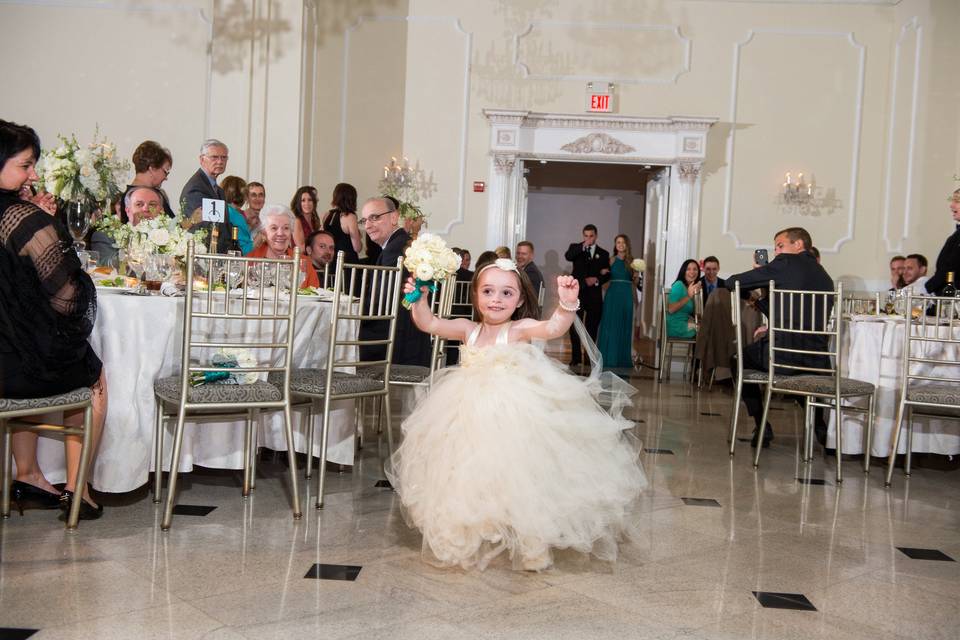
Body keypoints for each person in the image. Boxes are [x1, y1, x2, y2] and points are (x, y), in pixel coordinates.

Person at [387, 259, 646, 571]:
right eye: (488, 291)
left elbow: (551, 328)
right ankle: (473, 523)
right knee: (466, 469)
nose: (496, 299)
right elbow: (428, 323)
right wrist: (420, 299)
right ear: (476, 296)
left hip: (511, 411)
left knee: (516, 472)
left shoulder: (517, 329)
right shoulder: (467, 329)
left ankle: (526, 533)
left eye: (507, 293)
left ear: (520, 300)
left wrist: (566, 304)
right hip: (466, 408)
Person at [0, 119, 107, 519]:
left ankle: (28, 474)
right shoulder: (23, 218)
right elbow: (68, 296)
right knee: (92, 372)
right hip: (16, 367)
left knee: (27, 346)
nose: (33, 174)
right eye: (25, 165)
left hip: (5, 358)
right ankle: (80, 492)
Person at [725, 226, 833, 448]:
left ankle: (761, 424)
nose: (777, 252)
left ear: (799, 244)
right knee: (799, 379)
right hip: (817, 361)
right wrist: (759, 300)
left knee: (738, 359)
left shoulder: (784, 263)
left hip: (783, 357)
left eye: (780, 246)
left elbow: (732, 282)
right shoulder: (825, 276)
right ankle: (820, 427)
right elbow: (788, 313)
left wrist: (761, 273)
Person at [357, 197, 430, 365]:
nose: (367, 225)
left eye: (375, 217)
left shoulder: (395, 250)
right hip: (408, 333)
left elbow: (382, 302)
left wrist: (353, 309)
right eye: (364, 220)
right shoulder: (400, 244)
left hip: (395, 340)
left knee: (330, 335)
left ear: (394, 218)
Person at [564, 224, 610, 366]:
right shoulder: (576, 248)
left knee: (592, 328)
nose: (588, 238)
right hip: (578, 293)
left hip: (594, 296)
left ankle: (589, 358)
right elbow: (568, 256)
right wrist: (583, 245)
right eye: (586, 236)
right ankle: (576, 358)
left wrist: (597, 279)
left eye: (591, 236)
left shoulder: (604, 253)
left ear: (596, 236)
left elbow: (607, 274)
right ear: (583, 236)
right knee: (575, 326)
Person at [243, 204, 319, 288]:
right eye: (274, 228)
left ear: (291, 231)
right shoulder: (249, 260)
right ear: (264, 233)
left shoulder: (304, 263)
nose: (280, 234)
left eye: (286, 228)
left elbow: (313, 294)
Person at [179, 139, 235, 253]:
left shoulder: (218, 190)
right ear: (202, 159)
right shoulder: (196, 188)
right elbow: (203, 229)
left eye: (224, 157)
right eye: (214, 157)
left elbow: (223, 225)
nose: (220, 161)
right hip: (205, 255)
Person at [598, 234, 637, 368]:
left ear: (627, 245)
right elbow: (604, 278)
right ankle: (609, 357)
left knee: (625, 323)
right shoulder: (611, 260)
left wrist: (637, 275)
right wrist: (603, 273)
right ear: (615, 245)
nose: (620, 245)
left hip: (626, 294)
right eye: (618, 242)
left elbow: (635, 283)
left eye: (623, 242)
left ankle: (622, 358)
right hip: (613, 294)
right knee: (611, 324)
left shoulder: (632, 262)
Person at [120, 140, 175, 221]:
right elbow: (172, 228)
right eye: (166, 172)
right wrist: (192, 220)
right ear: (152, 168)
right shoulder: (151, 197)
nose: (165, 178)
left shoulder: (127, 195)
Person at [924, 189, 960, 295]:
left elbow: (951, 267)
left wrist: (926, 288)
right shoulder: (956, 235)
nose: (951, 205)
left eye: (957, 201)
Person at [322, 183, 362, 265]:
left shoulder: (326, 215)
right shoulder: (350, 216)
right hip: (347, 262)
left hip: (330, 260)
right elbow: (357, 247)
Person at [666, 259, 701, 338]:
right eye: (688, 269)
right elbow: (671, 309)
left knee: (709, 328)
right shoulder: (679, 285)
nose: (692, 272)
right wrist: (688, 296)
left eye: (695, 269)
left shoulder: (690, 288)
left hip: (685, 323)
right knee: (706, 330)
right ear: (683, 271)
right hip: (675, 325)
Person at [220, 176, 253, 254]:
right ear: (244, 196)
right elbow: (243, 249)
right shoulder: (237, 216)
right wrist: (258, 241)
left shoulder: (222, 210)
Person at [289, 185, 320, 253]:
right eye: (303, 200)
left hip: (311, 261)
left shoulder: (314, 220)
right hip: (300, 261)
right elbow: (301, 248)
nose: (307, 203)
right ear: (298, 203)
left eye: (310, 200)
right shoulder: (297, 221)